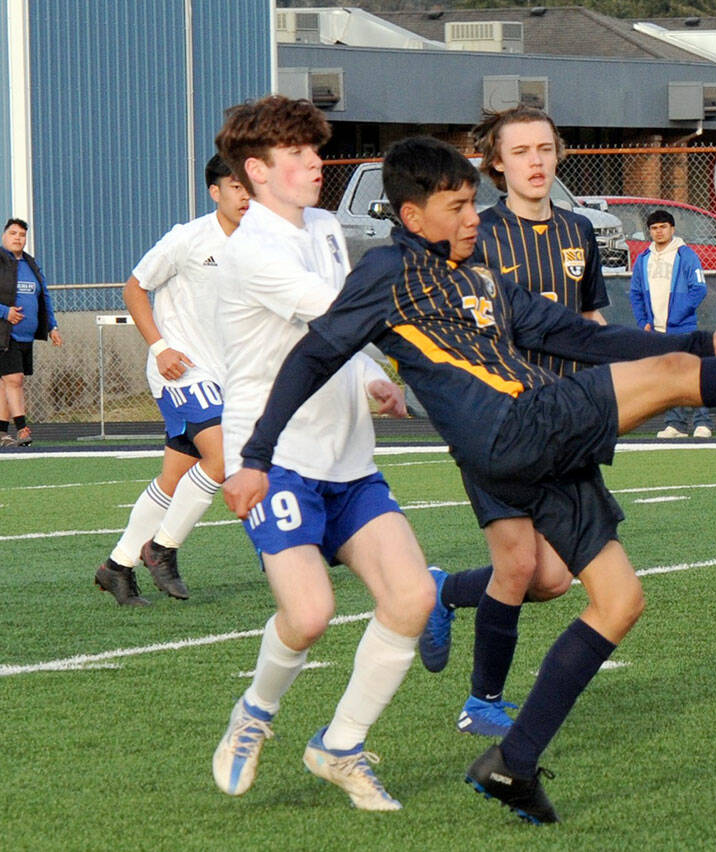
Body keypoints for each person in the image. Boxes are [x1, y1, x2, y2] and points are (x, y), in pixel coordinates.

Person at [221, 134, 716, 824]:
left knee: (618, 601)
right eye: (455, 207)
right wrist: (255, 456)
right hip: (514, 427)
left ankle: (512, 766)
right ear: (410, 217)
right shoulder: (387, 273)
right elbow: (314, 354)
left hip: (531, 438)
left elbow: (576, 337)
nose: (470, 218)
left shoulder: (480, 274)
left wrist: (699, 343)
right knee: (676, 386)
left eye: (472, 204)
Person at [208, 95, 434, 812]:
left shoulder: (326, 226)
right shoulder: (250, 250)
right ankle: (255, 712)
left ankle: (340, 746)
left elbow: (341, 335)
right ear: (258, 170)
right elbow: (338, 312)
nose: (315, 164)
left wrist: (373, 379)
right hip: (273, 457)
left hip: (348, 456)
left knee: (414, 596)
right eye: (298, 155)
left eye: (315, 149)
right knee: (308, 616)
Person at [417, 106, 613, 740]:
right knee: (517, 564)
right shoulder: (478, 233)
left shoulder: (579, 230)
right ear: (496, 163)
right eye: (521, 151)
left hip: (566, 423)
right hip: (497, 424)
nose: (536, 161)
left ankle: (443, 592)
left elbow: (593, 327)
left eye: (546, 149)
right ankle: (482, 703)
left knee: (552, 578)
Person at [93, 156, 250, 606]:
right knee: (221, 457)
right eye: (234, 187)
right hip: (181, 370)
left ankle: (117, 567)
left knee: (173, 477)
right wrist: (161, 349)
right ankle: (162, 550)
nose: (244, 196)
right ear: (214, 192)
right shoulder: (188, 239)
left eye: (248, 187)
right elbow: (134, 288)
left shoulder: (261, 243)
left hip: (225, 373)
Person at [628, 208, 712, 438]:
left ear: (672, 229)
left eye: (663, 227)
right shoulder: (644, 259)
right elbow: (635, 293)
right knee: (668, 378)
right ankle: (675, 424)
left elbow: (698, 288)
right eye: (654, 228)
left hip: (682, 328)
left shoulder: (686, 256)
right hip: (656, 330)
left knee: (691, 375)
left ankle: (702, 423)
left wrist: (677, 316)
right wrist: (643, 321)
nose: (659, 232)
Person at [0, 218, 62, 447]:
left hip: (26, 335)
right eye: (13, 233)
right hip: (5, 334)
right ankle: (22, 429)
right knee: (13, 379)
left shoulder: (31, 264)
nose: (18, 238)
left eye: (22, 235)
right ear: (4, 236)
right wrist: (5, 312)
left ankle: (1, 432)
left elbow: (43, 295)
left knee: (8, 383)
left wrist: (52, 326)